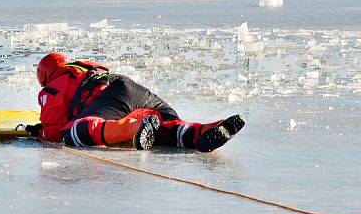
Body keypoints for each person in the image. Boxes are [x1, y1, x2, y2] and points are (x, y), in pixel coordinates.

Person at [25, 52, 244, 152]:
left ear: (44, 76)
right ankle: (204, 130)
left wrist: (40, 132)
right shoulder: (82, 70)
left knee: (73, 133)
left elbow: (53, 129)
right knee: (169, 127)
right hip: (131, 88)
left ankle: (132, 128)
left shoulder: (54, 85)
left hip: (111, 98)